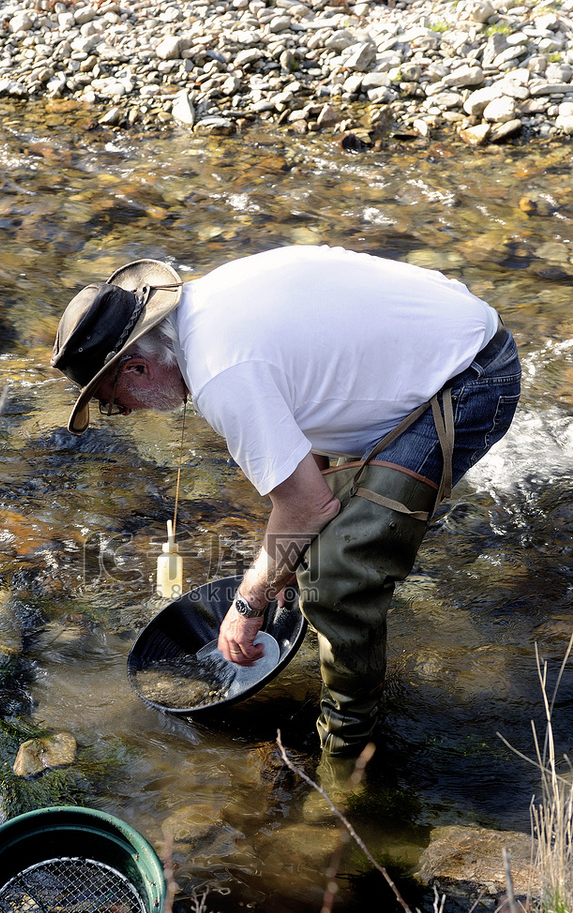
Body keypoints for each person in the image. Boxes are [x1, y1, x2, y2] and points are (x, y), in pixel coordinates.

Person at [51, 246, 521, 758]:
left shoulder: (219, 373)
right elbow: (309, 406)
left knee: (336, 572)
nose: (121, 413)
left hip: (470, 379)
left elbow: (306, 506)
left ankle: (347, 755)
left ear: (137, 368)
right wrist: (281, 564)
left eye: (110, 401)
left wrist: (247, 604)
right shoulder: (211, 303)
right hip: (450, 342)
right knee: (309, 544)